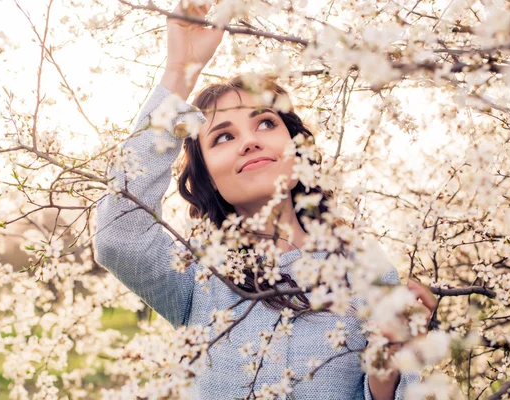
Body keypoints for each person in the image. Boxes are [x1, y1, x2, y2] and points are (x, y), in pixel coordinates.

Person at [94, 2, 437, 399]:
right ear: (207, 177)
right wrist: (178, 72)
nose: (249, 140)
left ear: (296, 147)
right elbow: (118, 235)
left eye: (266, 123)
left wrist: (390, 358)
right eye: (223, 136)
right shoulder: (197, 277)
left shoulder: (365, 267)